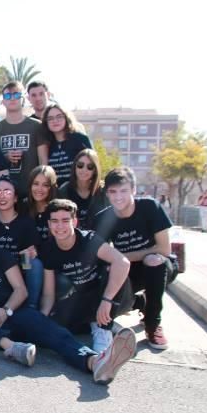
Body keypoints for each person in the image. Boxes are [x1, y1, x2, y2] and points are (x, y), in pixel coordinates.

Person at [0, 214, 136, 385]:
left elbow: (21, 290)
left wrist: (5, 310)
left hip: (16, 313)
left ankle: (95, 363)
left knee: (56, 334)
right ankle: (12, 347)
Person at [94, 167, 173, 350]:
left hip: (159, 265)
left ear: (134, 190)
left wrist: (121, 258)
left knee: (153, 260)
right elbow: (98, 254)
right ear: (107, 193)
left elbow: (164, 249)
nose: (118, 196)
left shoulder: (150, 207)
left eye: (123, 190)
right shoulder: (104, 218)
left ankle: (152, 324)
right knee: (105, 271)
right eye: (113, 192)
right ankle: (138, 303)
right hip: (128, 270)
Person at [40, 199, 132, 352]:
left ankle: (104, 328)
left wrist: (106, 300)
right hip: (83, 296)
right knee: (58, 325)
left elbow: (122, 262)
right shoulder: (48, 250)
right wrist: (42, 318)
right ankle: (98, 321)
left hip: (109, 294)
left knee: (112, 270)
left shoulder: (89, 240)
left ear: (74, 222)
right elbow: (49, 294)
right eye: (55, 221)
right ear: (49, 224)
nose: (60, 226)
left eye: (65, 220)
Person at [0, 177, 42, 308]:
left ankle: (31, 307)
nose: (2, 196)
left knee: (34, 263)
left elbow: (34, 250)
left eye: (7, 192)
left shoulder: (26, 222)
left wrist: (30, 253)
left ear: (15, 198)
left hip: (20, 269)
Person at [0, 81, 49, 196]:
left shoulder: (37, 126)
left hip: (32, 192)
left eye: (16, 95)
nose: (12, 98)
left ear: (23, 99)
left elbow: (43, 161)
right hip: (4, 193)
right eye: (7, 96)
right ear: (3, 101)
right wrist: (4, 157)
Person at [57, 149, 108, 230]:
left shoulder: (103, 191)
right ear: (75, 167)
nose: (84, 170)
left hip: (97, 239)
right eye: (80, 165)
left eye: (90, 167)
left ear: (95, 170)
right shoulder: (64, 190)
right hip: (71, 239)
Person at [42, 104, 92, 187]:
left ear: (66, 118)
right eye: (50, 118)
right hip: (56, 194)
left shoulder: (80, 139)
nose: (55, 121)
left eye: (59, 117)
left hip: (79, 190)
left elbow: (92, 166)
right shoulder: (47, 144)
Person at [22, 165, 58, 245]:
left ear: (51, 188)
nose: (39, 189)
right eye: (36, 184)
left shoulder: (58, 210)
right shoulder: (22, 208)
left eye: (45, 185)